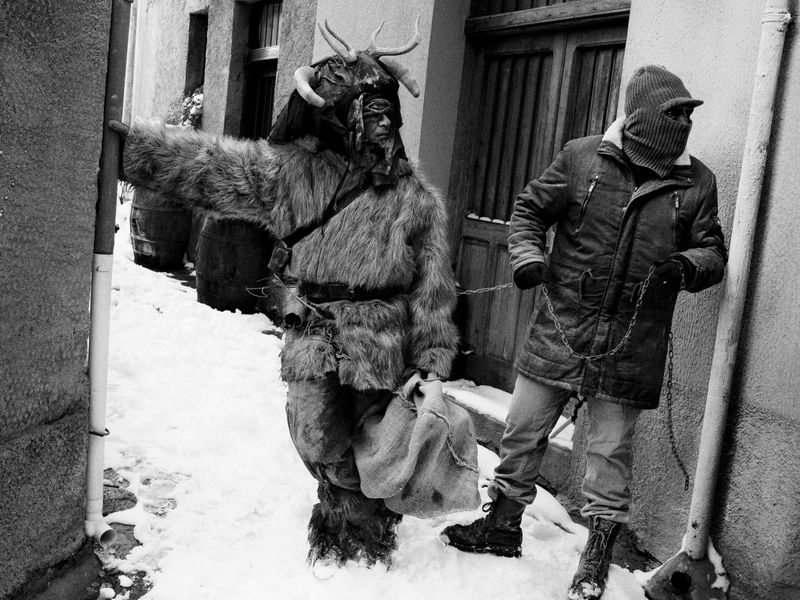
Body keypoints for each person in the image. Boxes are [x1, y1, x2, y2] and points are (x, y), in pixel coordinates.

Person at [111, 20, 459, 568]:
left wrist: (433, 363)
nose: (376, 126)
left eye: (382, 113)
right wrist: (131, 149)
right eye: (364, 114)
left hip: (381, 340)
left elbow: (433, 291)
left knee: (375, 447)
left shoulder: (416, 198)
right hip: (315, 333)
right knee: (316, 439)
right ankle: (344, 511)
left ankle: (361, 536)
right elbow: (211, 169)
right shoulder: (296, 174)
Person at [440, 65, 727, 600]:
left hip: (631, 345)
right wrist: (526, 256)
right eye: (676, 114)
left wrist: (685, 266)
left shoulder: (697, 182)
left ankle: (594, 560)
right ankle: (500, 527)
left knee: (608, 456)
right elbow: (528, 210)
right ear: (641, 118)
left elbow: (713, 250)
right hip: (561, 328)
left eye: (689, 114)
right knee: (522, 430)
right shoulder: (581, 157)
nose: (685, 123)